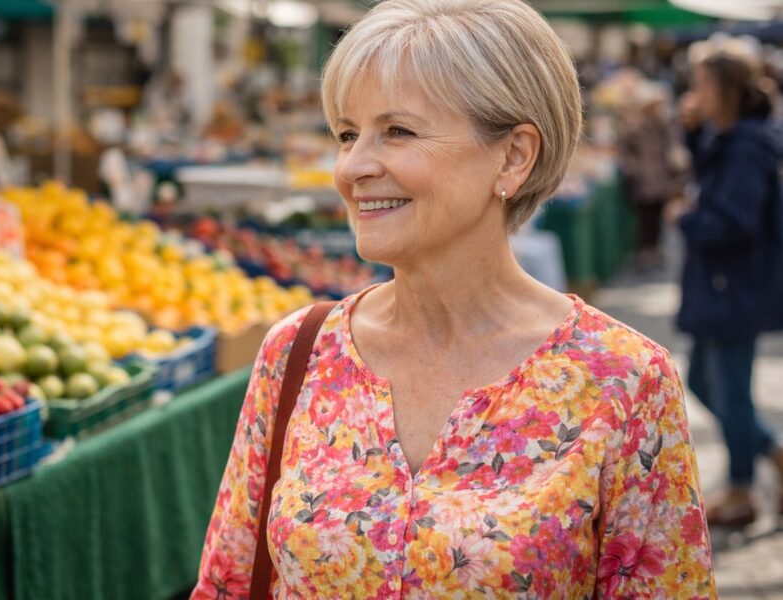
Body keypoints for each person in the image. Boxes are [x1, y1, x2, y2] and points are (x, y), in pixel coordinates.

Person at [193, 0, 716, 597]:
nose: (353, 166)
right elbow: (227, 584)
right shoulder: (298, 352)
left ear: (513, 157)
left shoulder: (623, 380)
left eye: (398, 131)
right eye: (347, 134)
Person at [667, 49, 783, 528]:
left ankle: (741, 488)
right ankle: (773, 453)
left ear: (728, 91)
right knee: (700, 380)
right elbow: (711, 174)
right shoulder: (729, 136)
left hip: (735, 285)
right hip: (721, 285)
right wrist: (694, 132)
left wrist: (686, 219)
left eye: (703, 85)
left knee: (732, 391)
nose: (695, 93)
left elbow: (736, 220)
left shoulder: (749, 144)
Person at [618, 82, 685, 270]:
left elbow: (673, 148)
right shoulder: (636, 129)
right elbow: (626, 153)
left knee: (657, 218)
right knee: (646, 219)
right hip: (644, 181)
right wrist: (633, 170)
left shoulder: (664, 127)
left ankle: (655, 250)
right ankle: (647, 252)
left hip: (660, 180)